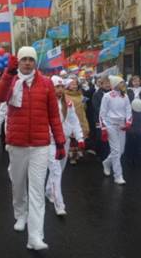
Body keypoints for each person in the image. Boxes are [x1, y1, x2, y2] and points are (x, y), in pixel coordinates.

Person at [0, 47, 66, 251]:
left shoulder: (45, 84)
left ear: (35, 62)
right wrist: (8, 74)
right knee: (18, 185)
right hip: (17, 144)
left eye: (30, 60)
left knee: (36, 190)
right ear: (19, 62)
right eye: (23, 59)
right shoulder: (12, 81)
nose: (27, 63)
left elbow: (53, 115)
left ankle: (35, 235)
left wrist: (60, 142)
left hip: (40, 145)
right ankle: (20, 214)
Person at [46, 76, 83, 216]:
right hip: (50, 142)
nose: (60, 89)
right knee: (56, 171)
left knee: (60, 170)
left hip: (65, 140)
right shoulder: (46, 102)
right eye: (57, 87)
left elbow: (74, 121)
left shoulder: (68, 103)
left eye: (61, 87)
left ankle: (49, 191)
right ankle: (59, 205)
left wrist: (79, 137)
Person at [100, 76, 132, 185]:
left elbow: (128, 110)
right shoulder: (107, 96)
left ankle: (106, 163)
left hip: (122, 126)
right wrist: (103, 128)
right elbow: (102, 113)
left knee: (121, 151)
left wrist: (128, 122)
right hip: (110, 125)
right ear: (115, 84)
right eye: (121, 83)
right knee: (116, 151)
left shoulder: (125, 96)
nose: (123, 84)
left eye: (123, 83)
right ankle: (118, 176)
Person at [64, 77, 89, 164]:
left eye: (75, 84)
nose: (74, 86)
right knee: (72, 140)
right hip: (70, 119)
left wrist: (84, 103)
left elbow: (84, 108)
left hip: (81, 118)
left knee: (80, 137)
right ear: (67, 86)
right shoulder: (65, 95)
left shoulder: (80, 94)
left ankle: (77, 153)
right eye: (72, 84)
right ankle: (71, 156)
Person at [125, 75, 141, 166]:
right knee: (130, 135)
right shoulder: (128, 91)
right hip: (130, 115)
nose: (136, 83)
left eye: (138, 81)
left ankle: (140, 156)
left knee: (140, 135)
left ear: (140, 82)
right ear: (131, 82)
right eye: (134, 81)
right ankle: (130, 156)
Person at [92, 76, 111, 158]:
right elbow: (97, 107)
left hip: (111, 119)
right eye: (105, 83)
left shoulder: (112, 93)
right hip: (99, 119)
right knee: (100, 136)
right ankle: (101, 154)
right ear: (101, 85)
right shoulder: (96, 94)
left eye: (109, 83)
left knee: (109, 136)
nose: (108, 85)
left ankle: (108, 153)